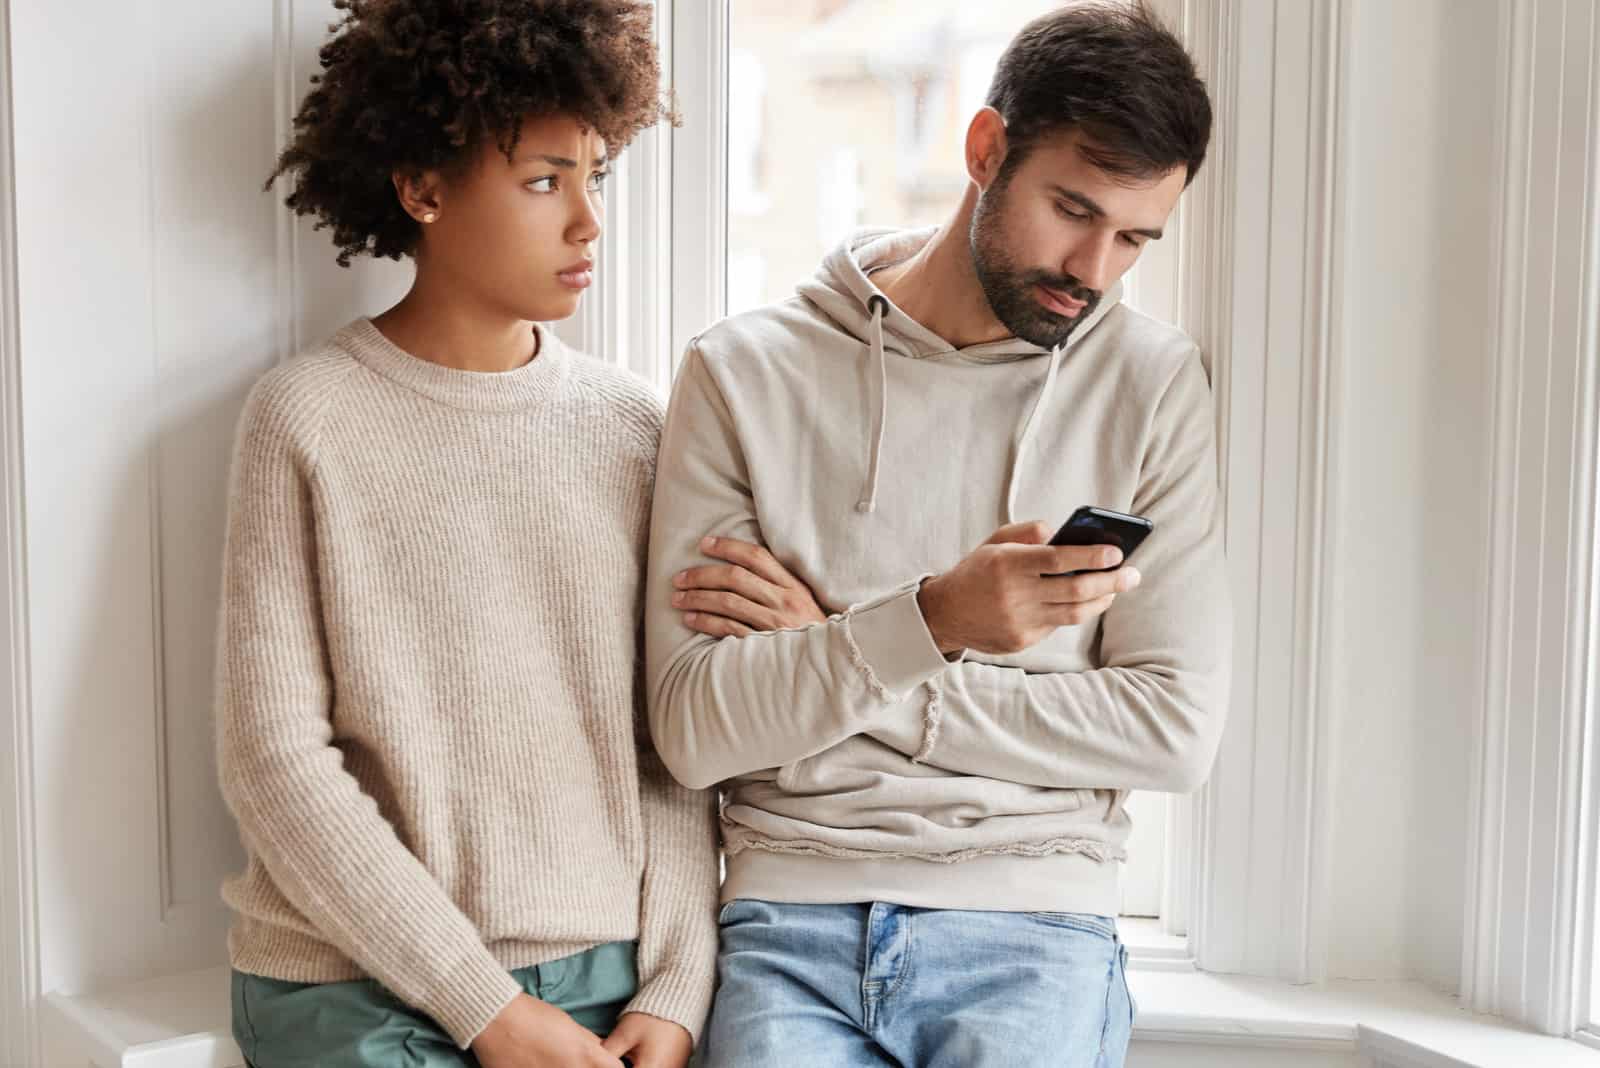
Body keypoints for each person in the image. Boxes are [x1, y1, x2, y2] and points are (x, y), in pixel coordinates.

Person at [645, 3, 1229, 1066]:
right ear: (984, 150)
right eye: (1072, 209)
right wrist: (932, 620)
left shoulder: (1147, 384)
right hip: (789, 922)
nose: (1094, 268)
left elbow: (1170, 731)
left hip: (1036, 925)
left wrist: (855, 646)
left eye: (1136, 237)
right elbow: (693, 730)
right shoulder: (742, 376)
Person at [215, 3, 719, 1066]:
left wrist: (675, 986)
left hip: (609, 974)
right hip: (356, 978)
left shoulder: (634, 428)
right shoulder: (306, 415)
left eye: (596, 176)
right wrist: (483, 1007)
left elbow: (666, 742)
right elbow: (273, 760)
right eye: (544, 180)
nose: (587, 221)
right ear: (423, 187)